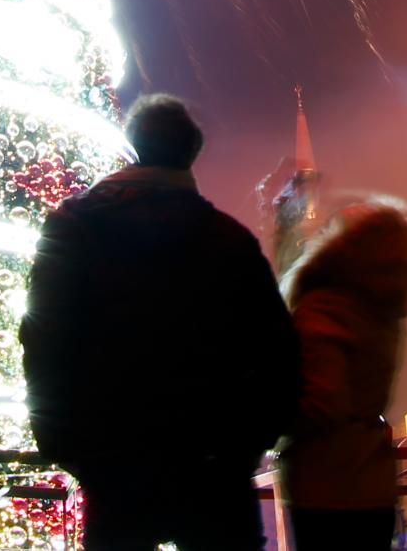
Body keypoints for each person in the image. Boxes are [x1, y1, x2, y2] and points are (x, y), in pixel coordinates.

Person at [20, 94, 299, 550]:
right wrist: (244, 447)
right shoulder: (229, 242)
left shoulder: (74, 229)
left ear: (133, 148)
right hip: (211, 465)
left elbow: (44, 337)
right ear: (191, 153)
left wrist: (65, 442)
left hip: (112, 462)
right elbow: (277, 354)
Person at [275, 201, 407, 550]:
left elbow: (322, 401)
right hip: (372, 483)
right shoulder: (381, 313)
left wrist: (267, 418)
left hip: (326, 485)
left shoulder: (328, 307)